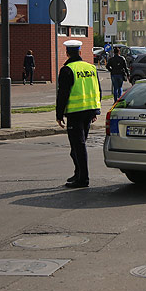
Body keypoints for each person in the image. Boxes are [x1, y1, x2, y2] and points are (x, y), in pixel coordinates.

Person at [56, 40, 101, 188]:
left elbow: (63, 94)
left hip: (75, 113)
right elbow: (97, 90)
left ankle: (83, 179)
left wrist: (59, 114)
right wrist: (95, 111)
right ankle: (78, 173)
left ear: (67, 53)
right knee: (77, 147)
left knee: (78, 146)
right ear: (80, 52)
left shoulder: (67, 70)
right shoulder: (91, 68)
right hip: (89, 111)